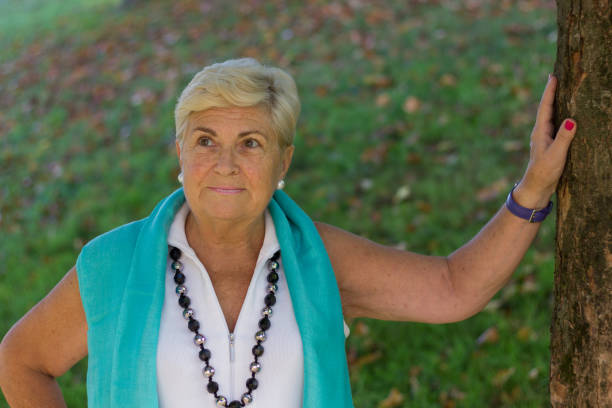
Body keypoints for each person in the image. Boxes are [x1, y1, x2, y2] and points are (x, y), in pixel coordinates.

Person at [0, 58, 576, 408]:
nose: (225, 163)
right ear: (180, 155)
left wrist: (533, 190)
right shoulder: (113, 265)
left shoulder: (318, 259)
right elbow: (19, 361)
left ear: (283, 163)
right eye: (205, 141)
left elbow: (455, 288)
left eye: (250, 142)